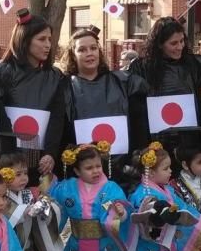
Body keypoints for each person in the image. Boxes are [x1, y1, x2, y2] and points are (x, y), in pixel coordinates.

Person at [127, 17, 201, 251]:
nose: (179, 47)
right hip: (157, 144)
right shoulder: (142, 68)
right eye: (173, 43)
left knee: (190, 205)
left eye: (182, 41)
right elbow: (132, 103)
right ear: (159, 44)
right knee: (160, 209)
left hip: (187, 142)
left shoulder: (193, 63)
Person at [62, 26, 150, 185]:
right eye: (82, 49)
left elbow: (139, 123)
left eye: (93, 48)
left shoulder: (122, 82)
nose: (89, 53)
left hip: (121, 170)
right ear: (73, 55)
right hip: (82, 173)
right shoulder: (65, 87)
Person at [0, 9, 66, 180]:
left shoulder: (55, 76)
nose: (48, 44)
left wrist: (50, 154)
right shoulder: (1, 72)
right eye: (41, 39)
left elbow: (57, 118)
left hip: (40, 161)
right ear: (24, 40)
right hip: (7, 161)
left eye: (49, 39)